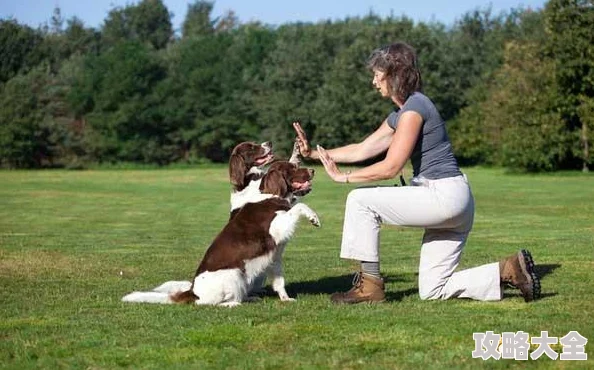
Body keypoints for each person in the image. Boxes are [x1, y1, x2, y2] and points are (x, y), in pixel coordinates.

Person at [292, 42, 541, 304]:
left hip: (443, 198)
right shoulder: (403, 112)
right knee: (432, 289)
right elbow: (364, 148)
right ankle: (509, 270)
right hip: (454, 201)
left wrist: (344, 177)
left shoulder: (414, 110)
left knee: (359, 201)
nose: (374, 82)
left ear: (394, 74)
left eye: (378, 74)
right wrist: (314, 155)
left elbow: (391, 167)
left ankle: (370, 286)